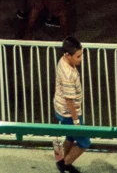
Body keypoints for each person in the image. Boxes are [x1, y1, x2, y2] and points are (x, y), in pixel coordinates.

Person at [53, 37, 87, 170]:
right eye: (78, 56)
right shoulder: (67, 74)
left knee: (70, 137)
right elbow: (69, 100)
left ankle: (61, 161)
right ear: (68, 55)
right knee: (84, 142)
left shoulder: (63, 61)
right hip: (69, 113)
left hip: (61, 108)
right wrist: (76, 121)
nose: (81, 59)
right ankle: (66, 164)